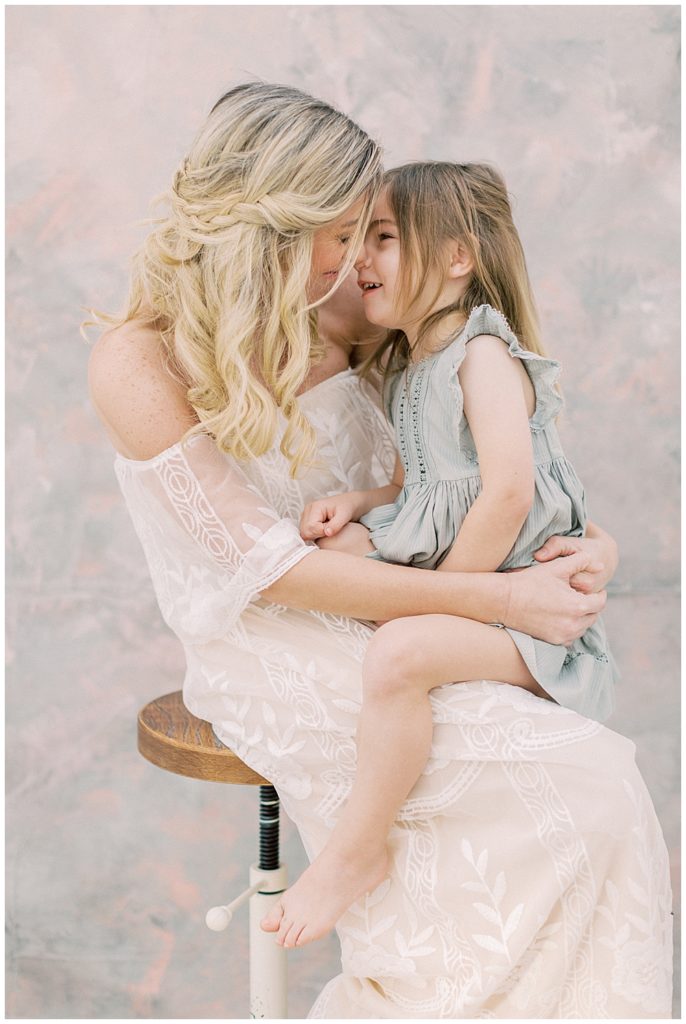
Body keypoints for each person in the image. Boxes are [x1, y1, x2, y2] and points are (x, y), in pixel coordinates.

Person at [87, 83, 672, 1017]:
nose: (363, 256)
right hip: (276, 638)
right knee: (558, 780)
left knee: (596, 779)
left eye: (375, 232)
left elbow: (484, 454)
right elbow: (270, 573)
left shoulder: (353, 319)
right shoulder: (139, 361)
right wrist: (507, 601)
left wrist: (583, 542)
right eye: (346, 229)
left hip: (414, 604)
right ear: (279, 224)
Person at [262, 162, 620, 949]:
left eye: (384, 239)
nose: (362, 259)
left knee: (398, 650)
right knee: (346, 555)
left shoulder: (481, 355)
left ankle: (355, 853)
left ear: (456, 258)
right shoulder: (418, 365)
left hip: (524, 609)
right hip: (475, 581)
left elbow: (506, 495)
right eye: (359, 239)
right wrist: (361, 506)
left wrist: (440, 598)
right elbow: (421, 479)